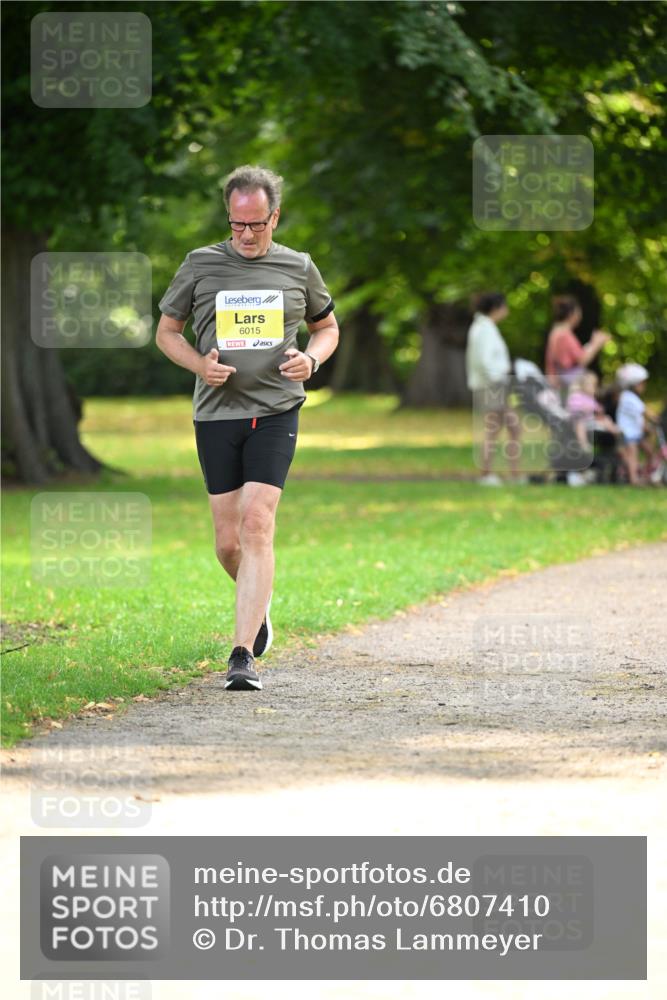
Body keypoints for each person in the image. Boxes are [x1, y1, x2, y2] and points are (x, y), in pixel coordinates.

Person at [156, 165, 339, 690]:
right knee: (228, 543)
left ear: (274, 217)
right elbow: (167, 332)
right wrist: (199, 365)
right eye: (237, 224)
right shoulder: (200, 264)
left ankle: (242, 657)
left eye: (256, 224)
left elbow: (327, 327)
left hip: (277, 409)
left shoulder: (298, 267)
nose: (246, 235)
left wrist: (312, 359)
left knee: (257, 523)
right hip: (217, 414)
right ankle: (258, 601)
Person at [465, 292, 523, 485]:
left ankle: (512, 473)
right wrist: (499, 377)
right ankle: (488, 474)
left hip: (493, 385)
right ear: (497, 308)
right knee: (498, 429)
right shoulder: (485, 329)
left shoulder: (484, 327)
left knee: (510, 428)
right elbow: (485, 361)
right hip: (492, 386)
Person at [545, 296, 610, 395]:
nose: (580, 316)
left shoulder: (556, 331)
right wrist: (596, 344)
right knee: (591, 379)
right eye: (578, 312)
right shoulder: (564, 334)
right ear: (572, 314)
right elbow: (582, 359)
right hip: (563, 386)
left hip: (557, 383)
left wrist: (592, 344)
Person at [615, 363, 654, 485]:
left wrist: (646, 426)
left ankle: (645, 474)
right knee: (633, 454)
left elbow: (637, 417)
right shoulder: (628, 397)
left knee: (649, 451)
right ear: (633, 384)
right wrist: (656, 418)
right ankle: (634, 479)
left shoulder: (633, 397)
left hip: (636, 433)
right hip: (628, 433)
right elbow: (645, 411)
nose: (644, 386)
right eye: (642, 383)